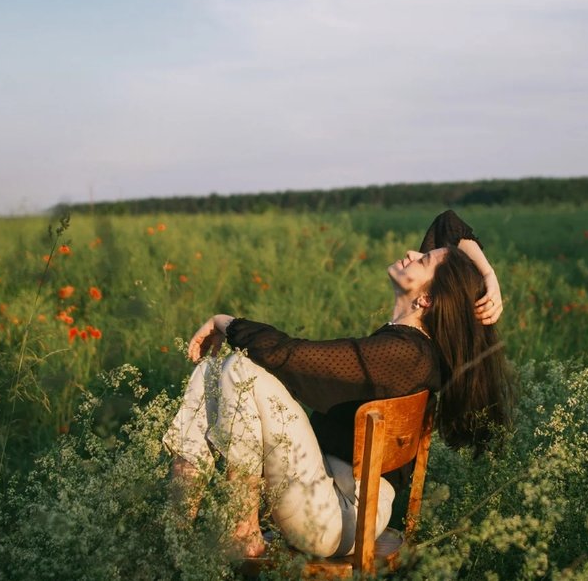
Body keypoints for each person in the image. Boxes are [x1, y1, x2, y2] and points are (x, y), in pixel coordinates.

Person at [164, 210, 514, 560]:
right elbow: (447, 225)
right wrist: (487, 275)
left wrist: (222, 321)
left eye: (422, 259)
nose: (411, 252)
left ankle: (238, 532)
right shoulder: (412, 346)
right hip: (330, 492)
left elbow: (283, 353)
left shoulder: (403, 352)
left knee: (240, 366)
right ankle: (175, 529)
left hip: (339, 516)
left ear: (425, 300)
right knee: (213, 370)